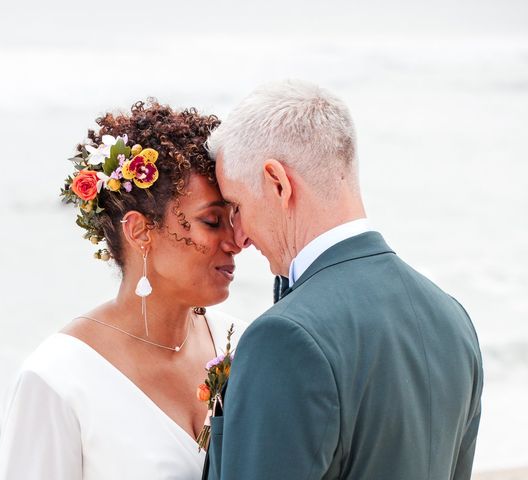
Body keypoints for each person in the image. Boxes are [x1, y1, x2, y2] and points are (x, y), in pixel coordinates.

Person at [202, 80, 483, 480]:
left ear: (277, 183)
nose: (240, 236)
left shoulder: (284, 337)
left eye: (236, 206)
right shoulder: (452, 318)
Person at [0, 101, 247, 479]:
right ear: (140, 231)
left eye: (234, 217)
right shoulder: (57, 380)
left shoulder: (238, 345)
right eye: (212, 221)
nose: (235, 241)